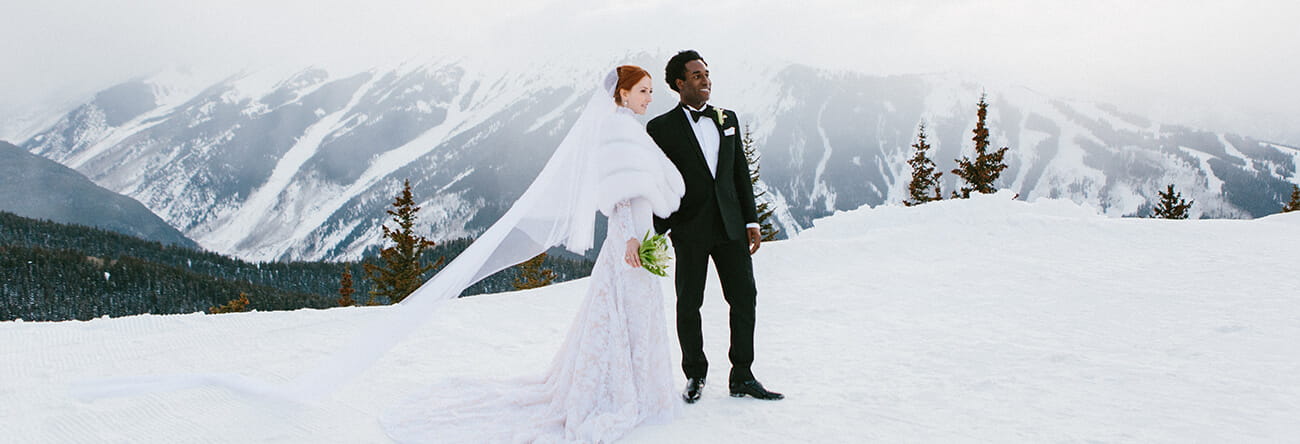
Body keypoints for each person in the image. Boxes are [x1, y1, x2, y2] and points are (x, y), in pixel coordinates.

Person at [380, 65, 686, 443]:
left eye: (651, 91)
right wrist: (631, 240)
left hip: (638, 237)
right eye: (642, 91)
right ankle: (625, 393)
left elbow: (637, 194)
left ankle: (636, 389)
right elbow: (621, 198)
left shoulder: (628, 129)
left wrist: (643, 235)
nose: (648, 98)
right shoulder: (618, 131)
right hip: (631, 241)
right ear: (622, 94)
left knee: (630, 316)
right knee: (628, 315)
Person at [647, 50, 783, 403]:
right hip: (689, 228)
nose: (705, 80)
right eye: (696, 75)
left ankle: (743, 375)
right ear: (679, 84)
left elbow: (740, 175)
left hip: (731, 226)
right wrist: (658, 228)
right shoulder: (659, 128)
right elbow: (657, 182)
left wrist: (751, 221)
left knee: (744, 298)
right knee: (689, 303)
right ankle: (694, 374)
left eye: (706, 73)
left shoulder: (728, 119)